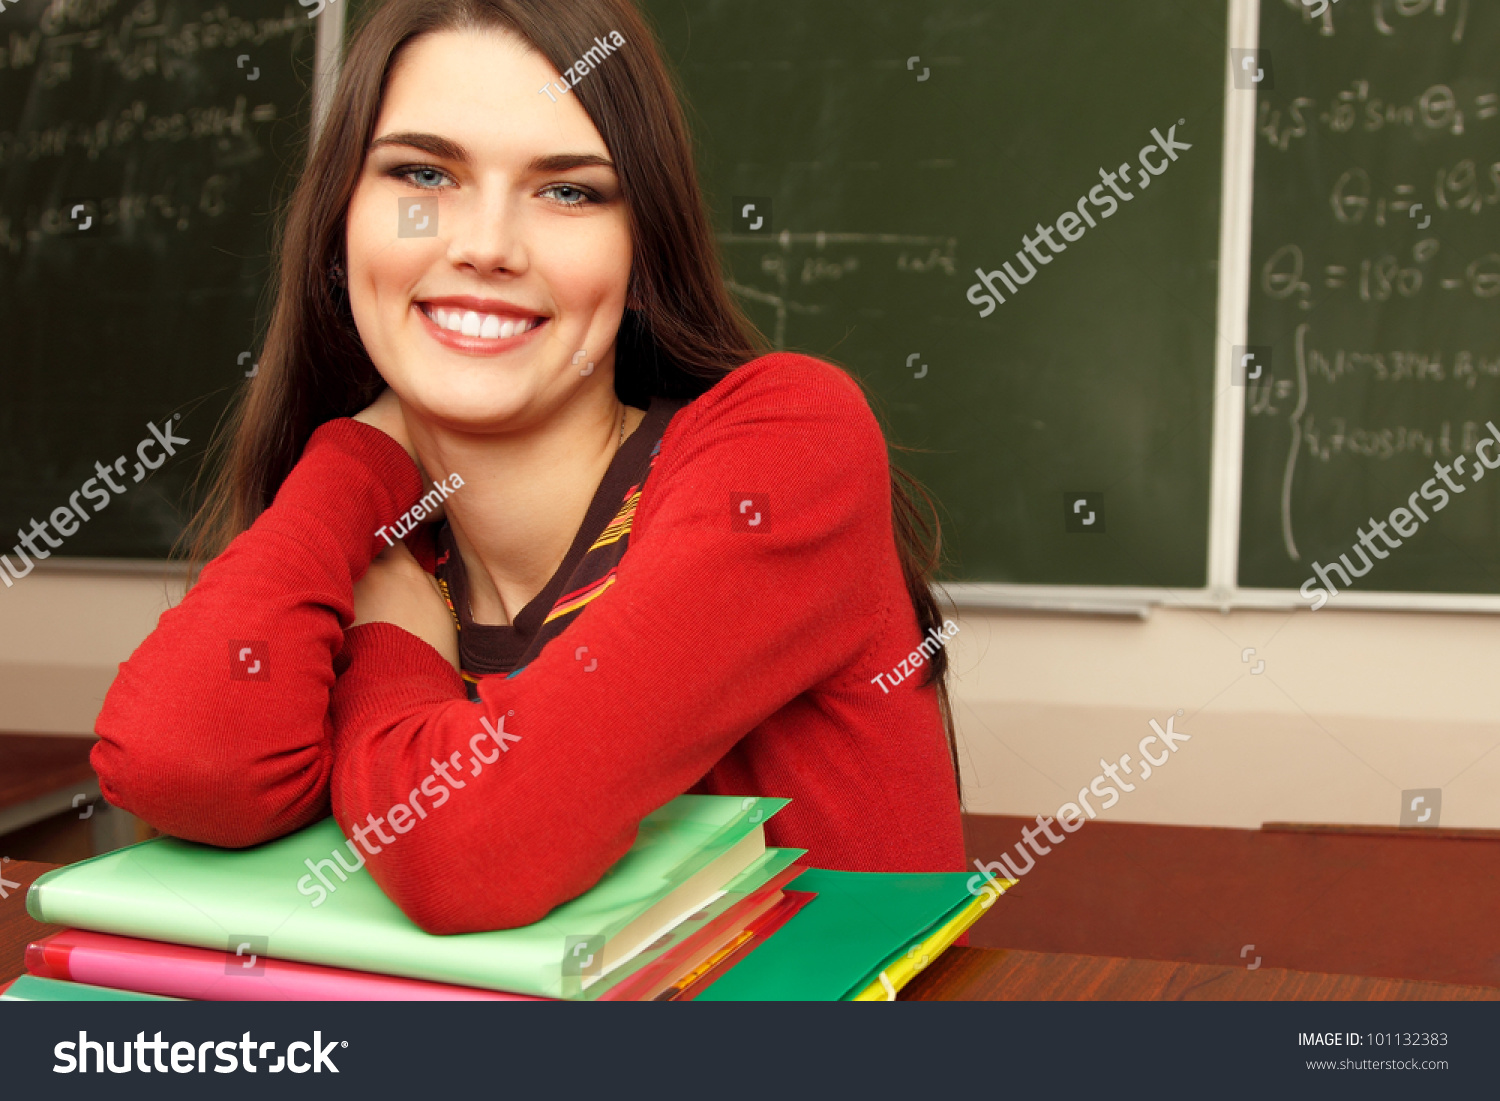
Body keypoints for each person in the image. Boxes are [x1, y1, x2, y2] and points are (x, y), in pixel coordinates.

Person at [92, 0, 965, 935]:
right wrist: (354, 462)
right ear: (343, 222)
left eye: (569, 191)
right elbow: (185, 765)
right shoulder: (373, 540)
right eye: (423, 175)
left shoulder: (788, 443)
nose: (485, 247)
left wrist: (392, 645)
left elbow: (466, 847)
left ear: (643, 248)